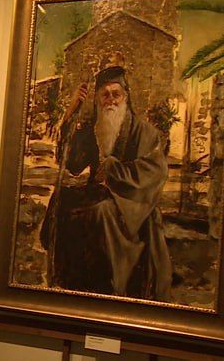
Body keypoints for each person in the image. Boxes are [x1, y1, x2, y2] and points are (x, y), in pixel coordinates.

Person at [40, 66, 172, 300]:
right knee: (63, 200)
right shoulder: (95, 128)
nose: (110, 100)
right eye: (105, 95)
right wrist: (69, 115)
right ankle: (70, 279)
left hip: (131, 203)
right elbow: (71, 163)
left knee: (100, 212)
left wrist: (113, 168)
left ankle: (107, 285)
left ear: (125, 97)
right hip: (100, 193)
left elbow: (154, 173)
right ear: (98, 99)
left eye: (116, 94)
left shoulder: (144, 132)